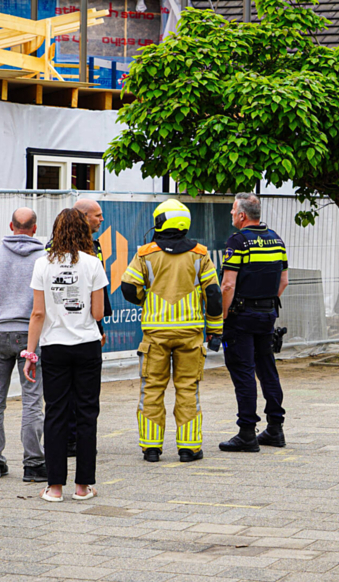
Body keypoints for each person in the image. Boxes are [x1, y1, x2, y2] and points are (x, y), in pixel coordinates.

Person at [120, 199, 223, 463]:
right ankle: (189, 448)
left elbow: (129, 288)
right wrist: (215, 329)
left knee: (151, 388)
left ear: (159, 221)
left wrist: (148, 298)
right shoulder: (200, 253)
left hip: (155, 335)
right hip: (190, 334)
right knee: (188, 388)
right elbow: (213, 293)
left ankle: (151, 448)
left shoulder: (145, 253)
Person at [23, 208, 108, 501]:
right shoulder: (93, 263)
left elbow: (37, 313)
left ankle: (55, 487)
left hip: (54, 346)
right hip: (86, 345)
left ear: (55, 231)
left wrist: (30, 353)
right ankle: (83, 486)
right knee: (87, 414)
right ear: (84, 232)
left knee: (55, 413)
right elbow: (98, 312)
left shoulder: (42, 264)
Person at [0, 207, 47, 482]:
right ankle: (34, 464)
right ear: (35, 228)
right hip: (32, 336)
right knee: (33, 400)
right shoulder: (45, 258)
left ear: (11, 226)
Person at [219, 193, 289, 453]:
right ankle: (275, 428)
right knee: (267, 368)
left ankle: (247, 432)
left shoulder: (238, 242)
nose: (231, 214)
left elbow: (228, 284)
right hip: (267, 314)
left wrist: (224, 316)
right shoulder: (276, 239)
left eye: (233, 210)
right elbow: (283, 282)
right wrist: (266, 303)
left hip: (241, 316)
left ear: (242, 215)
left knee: (244, 371)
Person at [63, 197, 112, 457]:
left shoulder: (95, 246)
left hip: (90, 326)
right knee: (68, 392)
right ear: (82, 217)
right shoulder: (57, 248)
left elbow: (99, 290)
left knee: (85, 393)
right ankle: (70, 439)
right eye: (97, 215)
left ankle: (79, 439)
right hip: (67, 329)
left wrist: (100, 324)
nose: (101, 219)